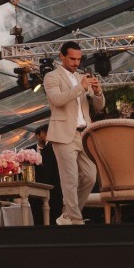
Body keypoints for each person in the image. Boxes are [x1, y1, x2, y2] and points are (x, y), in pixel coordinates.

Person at [44, 41, 106, 225]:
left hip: (84, 134)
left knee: (90, 176)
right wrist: (81, 87)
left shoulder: (82, 77)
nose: (76, 63)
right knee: (69, 178)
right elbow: (57, 100)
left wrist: (97, 92)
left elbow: (99, 107)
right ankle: (76, 219)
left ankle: (68, 215)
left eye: (79, 59)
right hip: (63, 134)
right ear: (61, 56)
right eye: (72, 58)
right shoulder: (51, 77)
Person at [28, 124, 63, 229]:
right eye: (45, 133)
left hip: (54, 191)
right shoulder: (29, 151)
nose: (48, 136)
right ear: (38, 136)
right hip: (35, 192)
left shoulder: (54, 149)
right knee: (37, 220)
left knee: (54, 220)